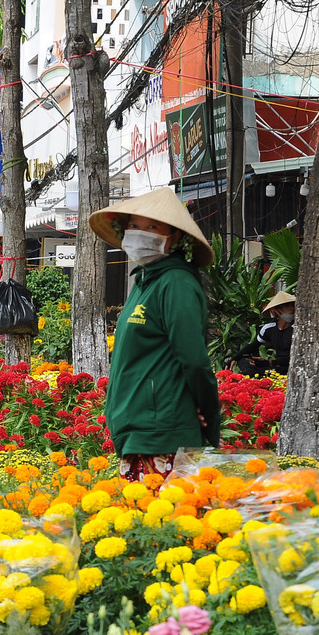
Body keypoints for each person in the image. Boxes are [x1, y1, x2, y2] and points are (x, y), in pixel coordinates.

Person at [89, 187, 221, 482]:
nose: (139, 233)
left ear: (173, 238)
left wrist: (208, 419)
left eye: (152, 227)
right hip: (139, 431)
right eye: (133, 226)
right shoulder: (143, 282)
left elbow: (195, 361)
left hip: (161, 435)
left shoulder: (175, 284)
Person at [231, 291, 295, 376]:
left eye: (292, 305)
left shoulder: (297, 329)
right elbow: (253, 346)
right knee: (243, 360)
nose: (292, 309)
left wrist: (269, 362)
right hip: (273, 367)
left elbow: (296, 358)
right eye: (287, 306)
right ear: (277, 310)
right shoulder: (269, 328)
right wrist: (234, 358)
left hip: (289, 367)